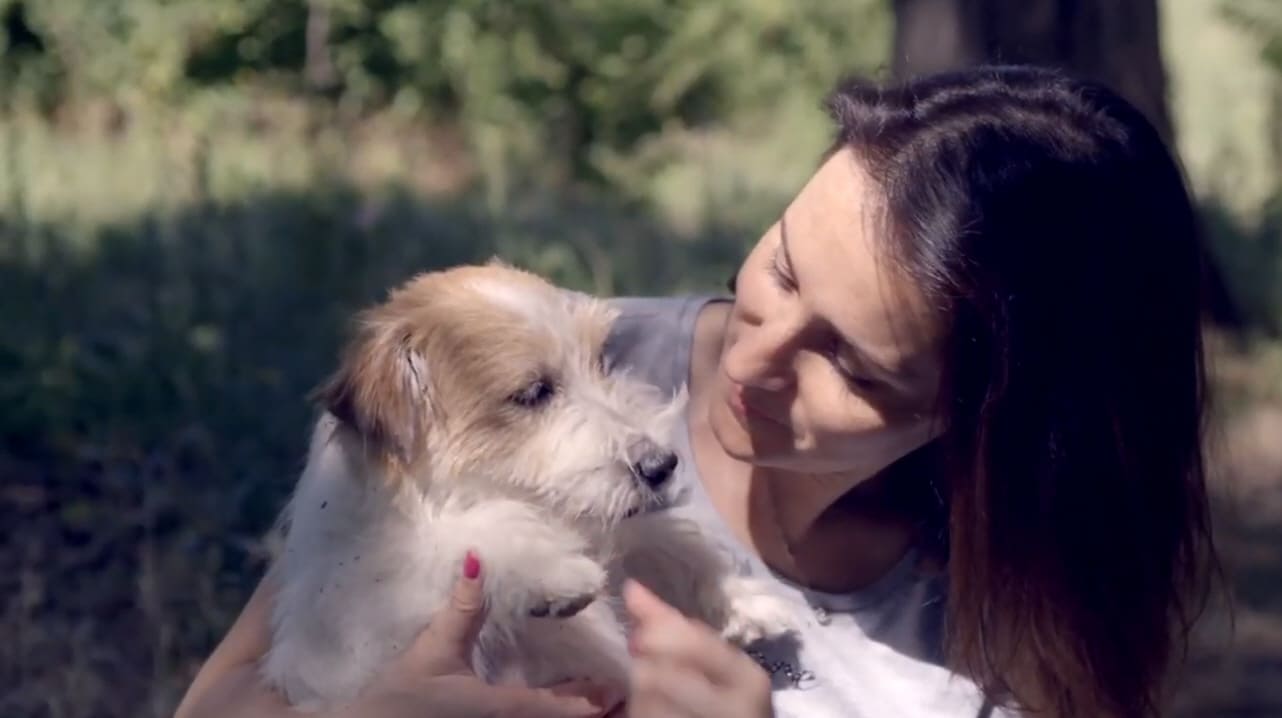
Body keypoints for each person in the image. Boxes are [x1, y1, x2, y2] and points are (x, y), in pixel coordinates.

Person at [174, 64, 1217, 718]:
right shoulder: (543, 349)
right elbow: (220, 698)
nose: (757, 359)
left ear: (983, 423)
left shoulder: (992, 650)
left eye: (850, 365)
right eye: (782, 269)